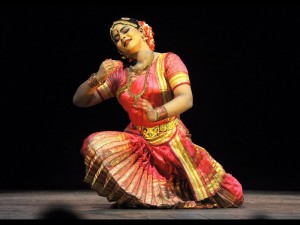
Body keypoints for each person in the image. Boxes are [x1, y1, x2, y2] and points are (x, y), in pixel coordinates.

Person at [73, 17, 244, 209]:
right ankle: (159, 197)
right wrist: (97, 77)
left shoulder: (168, 60)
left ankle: (165, 194)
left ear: (143, 31)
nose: (121, 37)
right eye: (116, 38)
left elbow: (186, 98)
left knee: (231, 195)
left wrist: (156, 113)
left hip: (172, 142)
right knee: (94, 143)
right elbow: (81, 100)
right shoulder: (119, 77)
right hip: (138, 144)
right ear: (119, 50)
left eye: (125, 30)